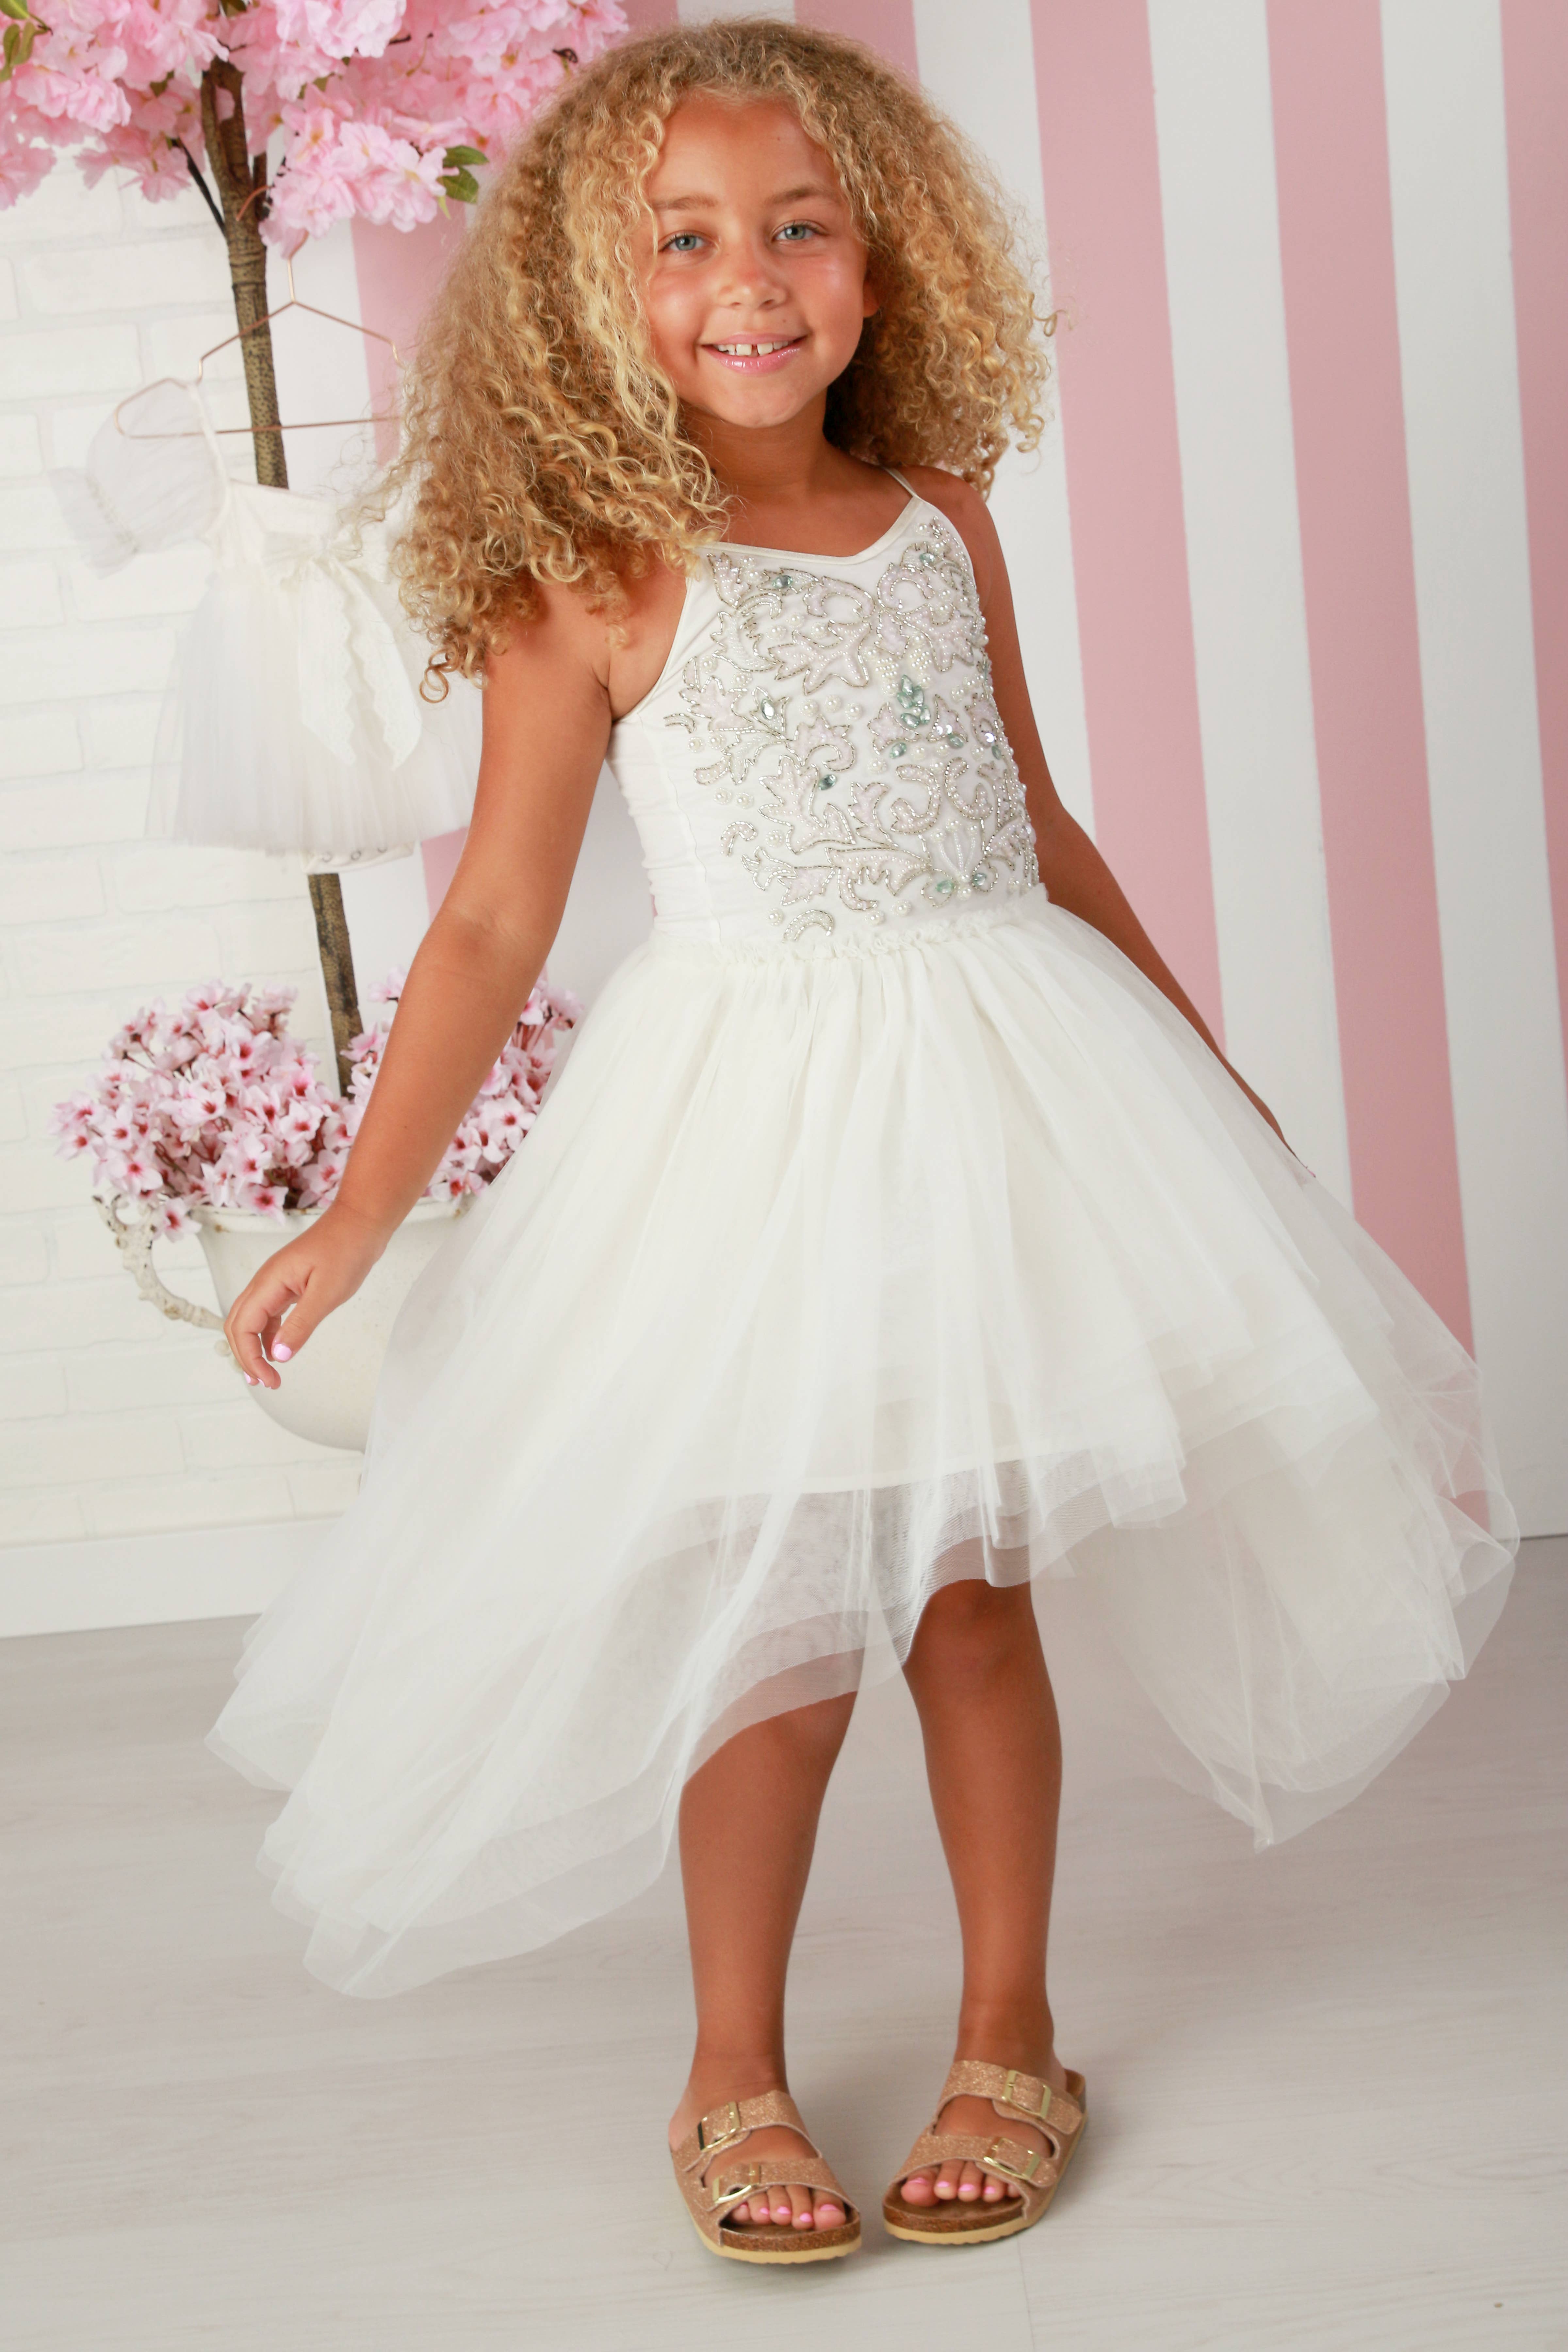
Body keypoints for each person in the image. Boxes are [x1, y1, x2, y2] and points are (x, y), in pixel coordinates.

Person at [211, 19, 1515, 2266]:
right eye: (685, 240)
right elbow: (496, 918)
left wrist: (1200, 1060)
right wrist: (360, 1209)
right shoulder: (595, 573)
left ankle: (1015, 2027)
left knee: (975, 1604)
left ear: (883, 263)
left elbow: (1041, 826)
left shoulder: (939, 519)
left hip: (1004, 1098)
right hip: (753, 1137)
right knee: (779, 1627)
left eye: (799, 227)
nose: (752, 278)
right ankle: (731, 2061)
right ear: (592, 295)